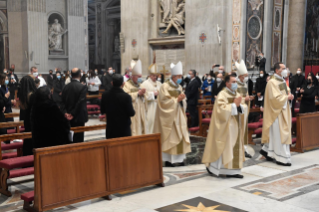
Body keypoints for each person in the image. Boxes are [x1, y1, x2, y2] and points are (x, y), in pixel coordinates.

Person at [202, 74, 245, 178]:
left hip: (236, 125)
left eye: (236, 82)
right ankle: (215, 168)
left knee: (235, 146)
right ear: (227, 83)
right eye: (233, 82)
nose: (235, 84)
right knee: (224, 146)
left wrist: (240, 106)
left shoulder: (236, 93)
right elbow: (221, 109)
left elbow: (243, 106)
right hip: (226, 125)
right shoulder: (222, 94)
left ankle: (233, 171)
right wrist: (234, 105)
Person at [154, 61, 191, 167]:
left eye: (181, 76)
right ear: (173, 76)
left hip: (179, 114)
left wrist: (183, 100)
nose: (180, 78)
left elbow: (183, 100)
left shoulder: (179, 87)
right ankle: (170, 159)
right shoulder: (165, 87)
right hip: (170, 116)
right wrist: (176, 100)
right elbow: (163, 102)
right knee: (171, 135)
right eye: (179, 76)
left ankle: (180, 159)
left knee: (181, 134)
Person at [261, 62, 294, 166]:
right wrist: (286, 98)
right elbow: (273, 98)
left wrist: (290, 95)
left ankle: (269, 152)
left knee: (279, 133)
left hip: (284, 110)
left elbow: (286, 92)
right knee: (279, 134)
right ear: (277, 70)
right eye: (283, 68)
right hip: (276, 112)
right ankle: (281, 157)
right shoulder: (272, 82)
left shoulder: (282, 81)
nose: (285, 70)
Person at [101, 74, 135, 139]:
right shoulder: (126, 97)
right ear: (123, 83)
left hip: (111, 128)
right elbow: (131, 113)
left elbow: (102, 110)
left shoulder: (105, 95)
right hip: (124, 129)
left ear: (111, 83)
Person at [61, 68, 88, 143]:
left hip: (67, 116)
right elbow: (80, 102)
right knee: (78, 138)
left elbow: (62, 102)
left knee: (69, 137)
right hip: (78, 116)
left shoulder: (65, 87)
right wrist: (72, 114)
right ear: (80, 75)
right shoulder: (82, 87)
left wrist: (65, 113)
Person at [235, 60, 255, 159]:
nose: (246, 77)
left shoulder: (244, 84)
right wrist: (244, 99)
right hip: (238, 112)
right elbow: (234, 97)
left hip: (244, 111)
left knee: (244, 130)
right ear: (240, 76)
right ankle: (238, 149)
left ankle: (245, 149)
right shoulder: (235, 85)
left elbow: (245, 95)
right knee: (238, 131)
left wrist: (248, 99)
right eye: (245, 75)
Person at [123, 60, 147, 135]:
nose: (140, 78)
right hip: (133, 111)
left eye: (141, 76)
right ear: (133, 76)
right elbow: (125, 97)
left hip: (141, 111)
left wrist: (143, 94)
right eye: (139, 77)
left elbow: (145, 97)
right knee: (134, 129)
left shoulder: (140, 85)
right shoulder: (127, 85)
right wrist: (137, 93)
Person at [140, 58, 162, 134]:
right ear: (149, 75)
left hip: (158, 106)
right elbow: (143, 96)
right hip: (150, 107)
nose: (155, 77)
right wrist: (153, 94)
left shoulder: (159, 84)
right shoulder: (144, 84)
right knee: (150, 123)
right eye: (153, 75)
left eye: (156, 76)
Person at [19, 76, 37, 155]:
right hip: (34, 121)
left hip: (27, 121)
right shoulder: (34, 95)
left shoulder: (23, 96)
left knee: (27, 141)